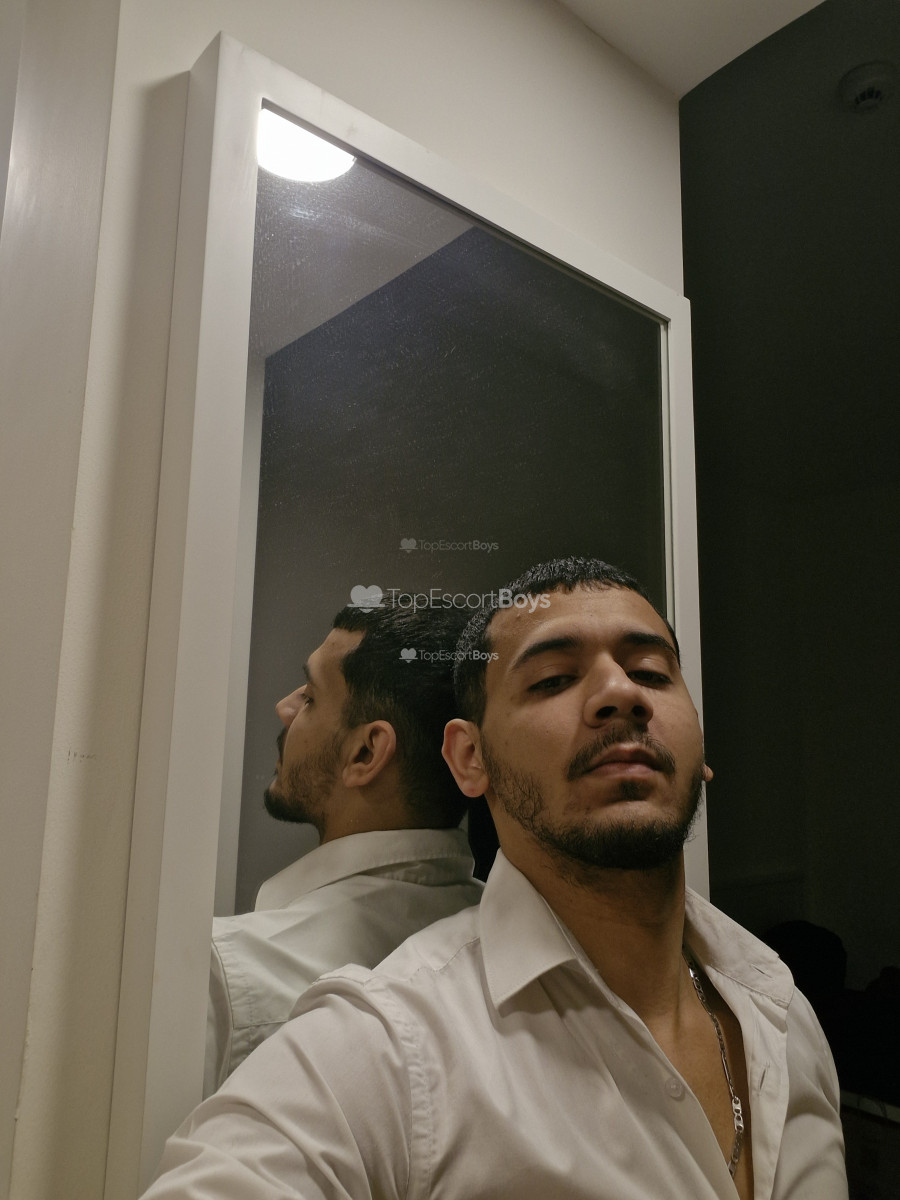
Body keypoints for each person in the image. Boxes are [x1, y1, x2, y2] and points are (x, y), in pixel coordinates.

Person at [146, 558, 847, 1199]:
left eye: (652, 673)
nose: (621, 693)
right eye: (553, 679)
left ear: (698, 745)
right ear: (468, 759)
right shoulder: (388, 1050)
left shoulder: (783, 1015)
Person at [204, 603, 484, 1093]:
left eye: (310, 696)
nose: (285, 707)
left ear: (365, 753)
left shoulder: (230, 976)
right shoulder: (519, 950)